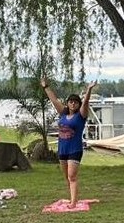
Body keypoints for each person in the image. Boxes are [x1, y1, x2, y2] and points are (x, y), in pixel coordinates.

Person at [41, 77, 97, 208]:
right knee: (67, 177)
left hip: (74, 150)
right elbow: (53, 100)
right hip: (63, 150)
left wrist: (88, 90)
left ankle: (73, 203)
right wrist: (45, 87)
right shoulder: (63, 114)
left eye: (75, 102)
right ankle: (73, 198)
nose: (73, 104)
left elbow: (86, 103)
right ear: (68, 103)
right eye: (71, 102)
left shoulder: (81, 116)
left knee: (72, 176)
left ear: (78, 104)